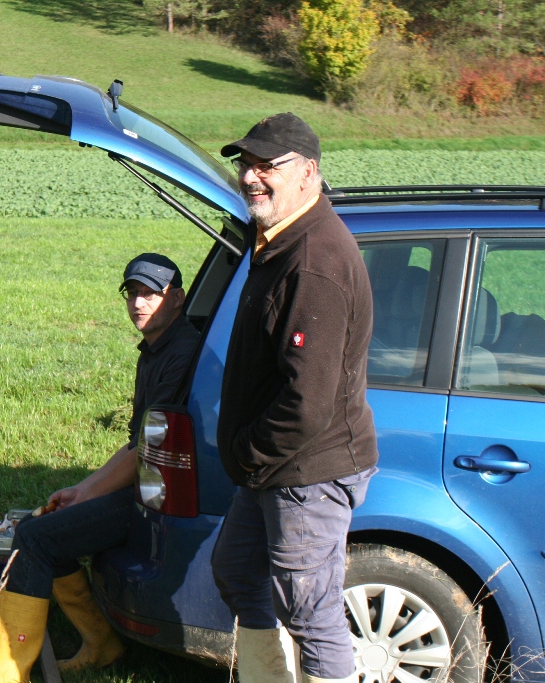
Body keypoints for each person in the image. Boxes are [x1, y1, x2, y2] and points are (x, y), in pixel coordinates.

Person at [210, 113, 379, 683]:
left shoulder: (315, 261)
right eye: (245, 164)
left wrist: (248, 454)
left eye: (268, 165)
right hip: (273, 470)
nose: (251, 176)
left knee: (310, 611)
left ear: (308, 173)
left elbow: (307, 401)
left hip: (306, 471)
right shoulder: (277, 240)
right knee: (236, 570)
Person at [0, 253, 201, 683]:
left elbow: (145, 452)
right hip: (148, 489)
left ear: (176, 298)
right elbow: (136, 444)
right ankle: (100, 644)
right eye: (132, 293)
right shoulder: (155, 350)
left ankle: (8, 673)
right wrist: (83, 490)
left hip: (159, 499)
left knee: (34, 537)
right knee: (51, 522)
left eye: (150, 293)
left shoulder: (182, 354)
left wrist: (90, 492)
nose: (138, 303)